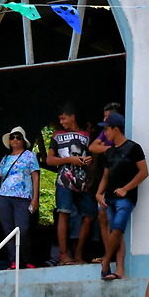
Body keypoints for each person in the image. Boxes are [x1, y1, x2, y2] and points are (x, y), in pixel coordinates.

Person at [0, 126, 40, 268]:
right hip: (4, 197)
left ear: (23, 140)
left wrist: (35, 198)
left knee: (23, 229)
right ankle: (13, 260)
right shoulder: (5, 159)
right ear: (9, 141)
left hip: (23, 197)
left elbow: (35, 177)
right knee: (8, 229)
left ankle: (26, 259)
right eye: (12, 137)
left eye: (18, 137)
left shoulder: (29, 155)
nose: (15, 140)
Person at [94, 112, 147, 281]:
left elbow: (144, 172)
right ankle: (119, 269)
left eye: (107, 130)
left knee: (117, 228)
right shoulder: (109, 152)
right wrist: (98, 193)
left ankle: (106, 262)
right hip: (109, 197)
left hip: (126, 197)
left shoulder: (133, 148)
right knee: (114, 232)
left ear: (116, 129)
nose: (105, 134)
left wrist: (126, 188)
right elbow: (106, 176)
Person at [46, 103, 96, 265]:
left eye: (64, 118)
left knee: (88, 216)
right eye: (60, 119)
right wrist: (70, 160)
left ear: (72, 116)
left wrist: (88, 161)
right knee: (64, 213)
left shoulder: (86, 135)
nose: (61, 122)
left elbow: (93, 157)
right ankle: (63, 255)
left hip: (83, 179)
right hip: (64, 179)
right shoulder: (57, 136)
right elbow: (50, 160)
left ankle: (78, 255)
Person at [88, 102, 123, 259]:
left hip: (118, 180)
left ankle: (117, 256)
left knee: (115, 218)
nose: (104, 122)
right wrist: (110, 149)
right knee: (102, 216)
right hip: (105, 177)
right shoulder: (104, 133)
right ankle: (108, 254)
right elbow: (93, 147)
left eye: (107, 118)